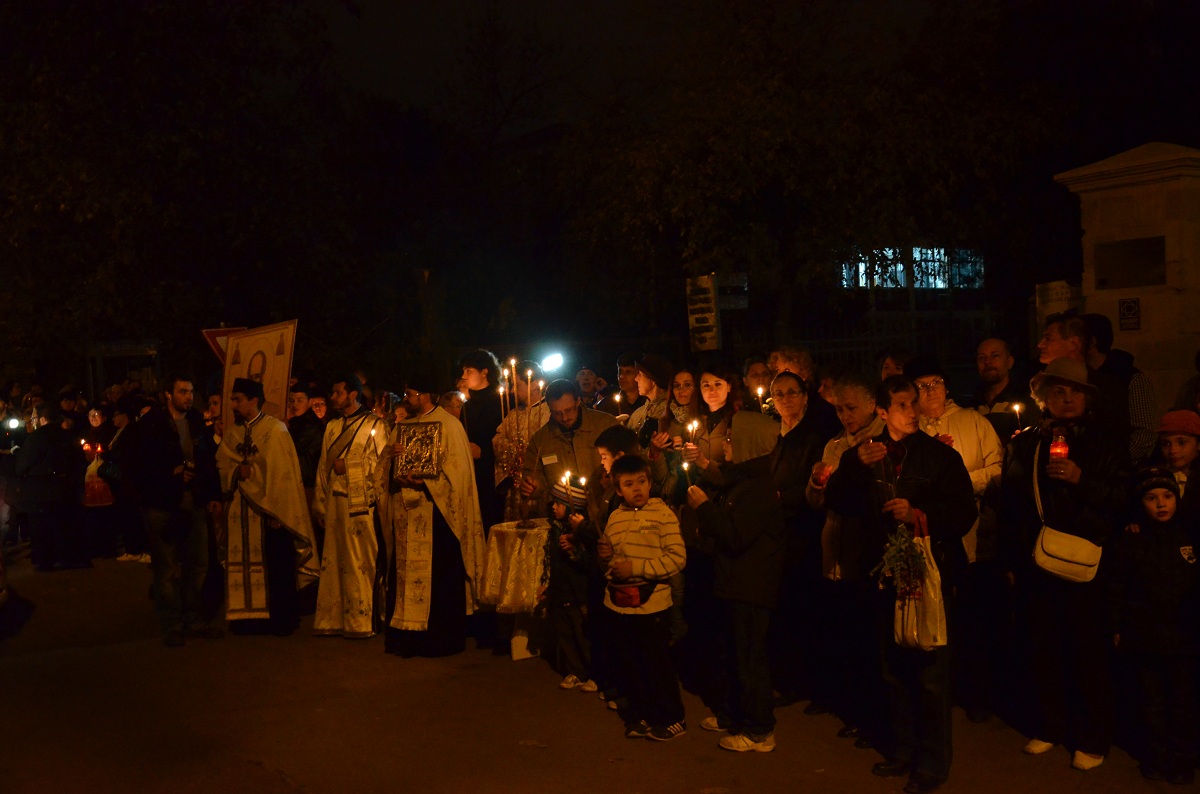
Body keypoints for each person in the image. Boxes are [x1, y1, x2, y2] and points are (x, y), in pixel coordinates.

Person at [825, 375, 976, 794]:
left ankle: (933, 761)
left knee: (929, 670)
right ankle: (903, 749)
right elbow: (837, 499)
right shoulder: (868, 455)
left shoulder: (939, 457)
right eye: (903, 406)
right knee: (892, 668)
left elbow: (964, 513)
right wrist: (855, 464)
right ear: (883, 412)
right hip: (883, 573)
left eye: (915, 404)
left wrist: (918, 514)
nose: (913, 412)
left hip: (930, 574)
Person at [999, 357, 1127, 771]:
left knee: (1088, 653)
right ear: (1044, 398)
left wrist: (1080, 480)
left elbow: (1124, 501)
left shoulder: (1105, 442)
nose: (1067, 398)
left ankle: (1093, 737)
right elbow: (1011, 505)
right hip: (1037, 562)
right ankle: (1051, 726)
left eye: (1075, 391)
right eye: (1058, 391)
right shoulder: (1027, 441)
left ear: (1087, 398)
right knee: (1044, 648)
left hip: (1086, 565)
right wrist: (1013, 558)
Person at [908, 357, 1004, 723]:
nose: (928, 391)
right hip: (932, 538)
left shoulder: (972, 422)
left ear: (947, 386)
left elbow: (997, 468)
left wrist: (963, 482)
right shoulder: (915, 430)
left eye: (934, 383)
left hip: (973, 536)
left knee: (974, 620)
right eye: (920, 386)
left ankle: (978, 695)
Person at [687, 410, 786, 752]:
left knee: (749, 656)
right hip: (736, 582)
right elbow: (722, 477)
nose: (726, 442)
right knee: (732, 651)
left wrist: (704, 509)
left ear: (749, 443)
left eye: (732, 437)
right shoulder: (744, 476)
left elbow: (736, 534)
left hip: (751, 586)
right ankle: (733, 715)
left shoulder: (757, 488)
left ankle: (759, 729)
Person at [376, 373, 486, 658]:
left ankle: (439, 640)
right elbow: (382, 471)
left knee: (439, 577)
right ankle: (405, 639)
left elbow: (458, 475)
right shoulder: (401, 427)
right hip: (405, 516)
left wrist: (426, 481)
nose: (406, 399)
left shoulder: (450, 426)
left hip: (437, 517)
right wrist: (391, 457)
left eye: (410, 393)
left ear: (424, 395)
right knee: (403, 575)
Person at [1108, 466, 1199, 785]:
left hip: (1185, 638)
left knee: (1184, 701)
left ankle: (1183, 757)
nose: (1161, 504)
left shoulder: (1189, 535)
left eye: (1167, 496)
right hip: (1145, 636)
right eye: (1151, 497)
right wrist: (1117, 625)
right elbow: (1118, 587)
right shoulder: (1131, 540)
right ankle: (1156, 755)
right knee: (1152, 701)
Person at [214, 378, 318, 636]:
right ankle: (247, 619)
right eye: (232, 399)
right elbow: (222, 466)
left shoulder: (276, 430)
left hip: (270, 513)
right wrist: (238, 470)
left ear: (253, 401)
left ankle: (279, 620)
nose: (233, 405)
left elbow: (284, 476)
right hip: (241, 512)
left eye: (238, 399)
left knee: (276, 565)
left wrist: (279, 512)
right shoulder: (233, 433)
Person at [597, 455, 688, 741]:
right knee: (630, 663)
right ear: (618, 489)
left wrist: (637, 568)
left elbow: (677, 558)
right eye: (628, 484)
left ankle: (672, 717)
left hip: (653, 605)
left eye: (641, 482)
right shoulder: (614, 517)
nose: (637, 488)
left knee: (656, 663)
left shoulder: (663, 514)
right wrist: (606, 558)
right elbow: (611, 565)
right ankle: (640, 714)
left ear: (649, 482)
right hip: (620, 605)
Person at [130, 375, 222, 646]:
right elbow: (139, 466)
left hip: (193, 502)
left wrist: (213, 494)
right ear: (168, 395)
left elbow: (207, 460)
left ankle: (194, 618)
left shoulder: (195, 422)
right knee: (167, 567)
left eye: (191, 391)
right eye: (183, 391)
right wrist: (170, 476)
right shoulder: (151, 425)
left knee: (199, 563)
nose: (188, 396)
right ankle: (172, 624)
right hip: (163, 505)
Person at [312, 374, 388, 637]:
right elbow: (323, 466)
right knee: (333, 560)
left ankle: (361, 621)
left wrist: (352, 466)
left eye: (337, 393)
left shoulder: (374, 425)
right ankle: (333, 620)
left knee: (359, 561)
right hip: (334, 503)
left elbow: (382, 466)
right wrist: (320, 504)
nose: (333, 398)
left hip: (361, 505)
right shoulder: (332, 426)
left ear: (353, 394)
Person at [518, 379, 617, 515]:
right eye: (557, 413)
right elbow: (534, 477)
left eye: (569, 410)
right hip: (563, 516)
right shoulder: (540, 440)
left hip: (605, 511)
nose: (565, 418)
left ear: (578, 401)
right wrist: (532, 486)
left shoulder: (606, 425)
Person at [13, 403, 87, 573]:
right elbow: (79, 461)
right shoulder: (68, 436)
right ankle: (69, 557)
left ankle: (46, 560)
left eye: (34, 418)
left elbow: (22, 466)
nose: (32, 421)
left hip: (42, 489)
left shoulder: (36, 438)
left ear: (42, 419)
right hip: (66, 486)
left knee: (42, 526)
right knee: (66, 524)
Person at [1083, 313, 1158, 465]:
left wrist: (1112, 461)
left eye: (1075, 339)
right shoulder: (1080, 376)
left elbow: (1144, 434)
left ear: (1091, 342)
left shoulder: (1131, 378)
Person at [543, 477, 595, 691]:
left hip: (578, 592)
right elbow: (551, 559)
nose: (553, 507)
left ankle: (594, 672)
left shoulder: (583, 530)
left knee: (583, 635)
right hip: (561, 590)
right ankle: (576, 671)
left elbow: (590, 562)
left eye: (558, 503)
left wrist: (575, 551)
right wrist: (547, 585)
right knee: (565, 634)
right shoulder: (554, 528)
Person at [459, 349, 505, 532]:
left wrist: (484, 452)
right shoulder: (467, 406)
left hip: (494, 478)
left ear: (484, 372)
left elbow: (509, 440)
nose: (463, 376)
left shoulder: (501, 401)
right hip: (472, 476)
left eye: (468, 371)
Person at [969, 338, 1041, 440]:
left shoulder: (1027, 402)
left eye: (995, 356)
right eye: (981, 357)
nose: (988, 362)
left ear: (1010, 362)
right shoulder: (971, 407)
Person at [596, 352, 645, 417]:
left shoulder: (648, 403)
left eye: (628, 372)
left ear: (640, 374)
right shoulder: (607, 405)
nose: (621, 376)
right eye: (620, 371)